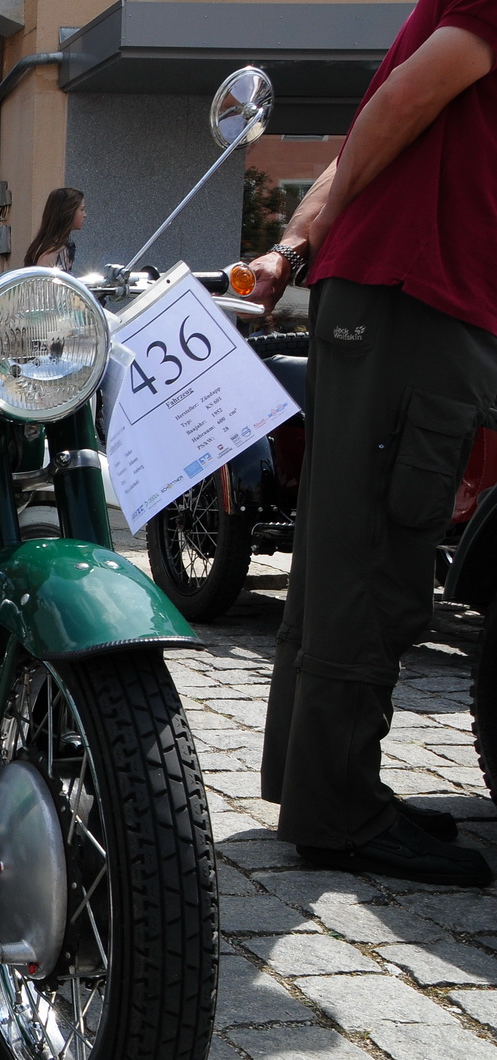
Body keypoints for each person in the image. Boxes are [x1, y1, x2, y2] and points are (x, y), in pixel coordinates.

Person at [250, 0, 497, 886]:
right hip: (418, 296)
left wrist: (290, 247)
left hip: (382, 289)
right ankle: (339, 813)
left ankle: (313, 782)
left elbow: (374, 122)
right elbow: (399, 105)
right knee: (376, 556)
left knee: (333, 547)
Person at [24, 187, 85, 271]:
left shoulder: (61, 247)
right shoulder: (50, 252)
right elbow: (44, 282)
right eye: (82, 209)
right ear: (68, 212)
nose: (84, 215)